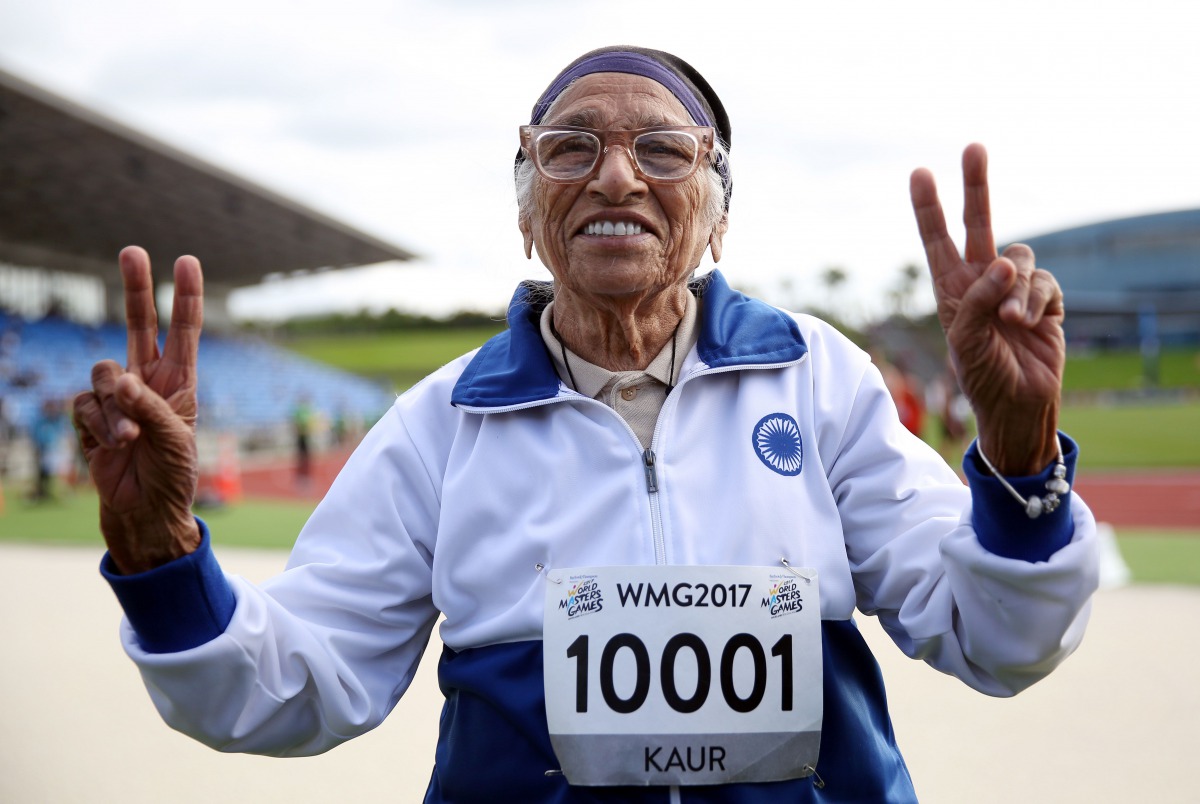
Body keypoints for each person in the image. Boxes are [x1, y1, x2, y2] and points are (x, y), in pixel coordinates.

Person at [73, 46, 1098, 802]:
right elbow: (291, 684)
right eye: (571, 151)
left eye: (662, 149)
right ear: (526, 211)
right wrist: (163, 554)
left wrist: (1018, 456)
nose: (616, 176)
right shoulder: (441, 425)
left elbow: (998, 639)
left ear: (717, 210)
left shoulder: (817, 377)